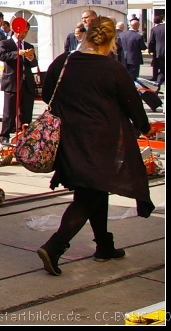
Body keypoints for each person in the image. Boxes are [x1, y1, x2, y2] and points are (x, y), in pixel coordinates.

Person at [36, 16, 153, 276]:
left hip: (68, 141)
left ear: (86, 35)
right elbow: (134, 107)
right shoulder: (113, 69)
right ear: (111, 41)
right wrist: (144, 127)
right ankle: (54, 247)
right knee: (89, 196)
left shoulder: (63, 62)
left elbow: (46, 94)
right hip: (102, 144)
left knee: (95, 191)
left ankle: (104, 246)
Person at [0, 27, 37, 144]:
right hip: (12, 82)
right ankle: (5, 135)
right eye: (21, 32)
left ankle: (24, 134)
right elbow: (3, 56)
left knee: (26, 112)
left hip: (27, 82)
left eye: (26, 32)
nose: (23, 34)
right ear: (15, 30)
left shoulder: (29, 45)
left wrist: (31, 58)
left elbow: (34, 64)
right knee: (9, 112)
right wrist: (18, 53)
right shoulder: (5, 43)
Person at [148, 14, 165, 92]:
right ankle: (157, 83)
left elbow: (151, 41)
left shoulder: (155, 29)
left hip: (160, 52)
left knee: (162, 70)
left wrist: (150, 50)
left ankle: (157, 83)